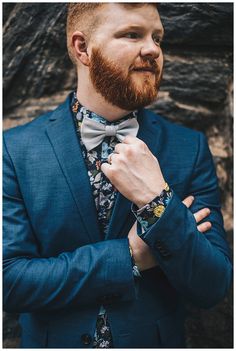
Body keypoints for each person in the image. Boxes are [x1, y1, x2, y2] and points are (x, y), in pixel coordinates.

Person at [3, 3, 232, 348]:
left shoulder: (190, 148)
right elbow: (9, 283)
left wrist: (158, 203)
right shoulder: (15, 150)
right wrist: (130, 256)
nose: (154, 48)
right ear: (82, 48)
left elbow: (212, 286)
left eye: (158, 38)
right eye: (132, 34)